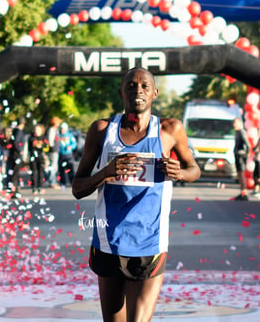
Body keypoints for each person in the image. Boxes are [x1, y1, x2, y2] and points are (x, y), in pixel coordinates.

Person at [72, 67, 200, 322]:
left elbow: (194, 169)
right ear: (121, 92)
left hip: (149, 242)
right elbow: (78, 188)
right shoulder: (101, 131)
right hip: (108, 240)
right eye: (131, 85)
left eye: (144, 86)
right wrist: (106, 172)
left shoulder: (170, 130)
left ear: (154, 93)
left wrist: (181, 173)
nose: (137, 90)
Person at [5, 117, 26, 196]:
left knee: (14, 172)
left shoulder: (14, 131)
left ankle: (13, 188)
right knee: (15, 173)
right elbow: (16, 142)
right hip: (16, 155)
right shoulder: (19, 132)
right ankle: (14, 189)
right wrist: (19, 150)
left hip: (13, 154)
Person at [28, 123, 48, 194]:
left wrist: (42, 145)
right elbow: (32, 144)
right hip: (33, 156)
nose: (37, 131)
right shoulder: (32, 136)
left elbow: (46, 146)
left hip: (41, 156)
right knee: (34, 172)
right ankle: (34, 187)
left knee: (41, 172)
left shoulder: (43, 137)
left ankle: (41, 186)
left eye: (38, 130)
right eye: (36, 129)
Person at [233, 116, 250, 200]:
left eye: (235, 123)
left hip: (241, 156)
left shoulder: (242, 132)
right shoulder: (237, 132)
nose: (234, 125)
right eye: (233, 123)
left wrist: (246, 154)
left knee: (241, 174)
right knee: (239, 174)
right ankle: (242, 191)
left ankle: (244, 193)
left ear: (240, 123)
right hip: (237, 155)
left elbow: (247, 144)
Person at [58, 122, 77, 188]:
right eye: (61, 129)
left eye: (63, 129)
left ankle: (72, 182)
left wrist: (70, 147)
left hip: (68, 155)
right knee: (61, 170)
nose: (62, 130)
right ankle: (63, 183)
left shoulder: (70, 135)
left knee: (70, 169)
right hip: (61, 154)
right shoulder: (58, 135)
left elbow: (74, 144)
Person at [46, 116, 61, 188]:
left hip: (55, 150)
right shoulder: (52, 130)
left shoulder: (55, 130)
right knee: (53, 167)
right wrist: (52, 148)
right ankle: (52, 182)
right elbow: (50, 141)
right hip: (53, 151)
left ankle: (53, 181)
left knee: (55, 167)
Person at [251, 128, 260, 197]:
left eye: (259, 132)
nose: (258, 133)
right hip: (257, 159)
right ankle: (256, 189)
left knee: (258, 174)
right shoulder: (259, 140)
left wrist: (257, 151)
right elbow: (255, 148)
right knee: (255, 174)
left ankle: (258, 189)